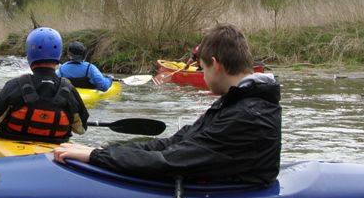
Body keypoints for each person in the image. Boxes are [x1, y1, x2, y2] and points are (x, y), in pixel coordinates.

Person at [54, 24, 281, 185]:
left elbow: (169, 161)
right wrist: (104, 151)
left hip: (234, 193)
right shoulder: (238, 102)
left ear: (216, 65)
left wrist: (96, 157)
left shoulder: (248, 116)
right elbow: (172, 143)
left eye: (203, 69)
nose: (203, 76)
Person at [0, 27, 89, 142]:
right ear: (59, 55)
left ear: (29, 54)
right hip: (56, 152)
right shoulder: (69, 90)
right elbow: (81, 129)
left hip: (14, 148)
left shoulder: (14, 86)